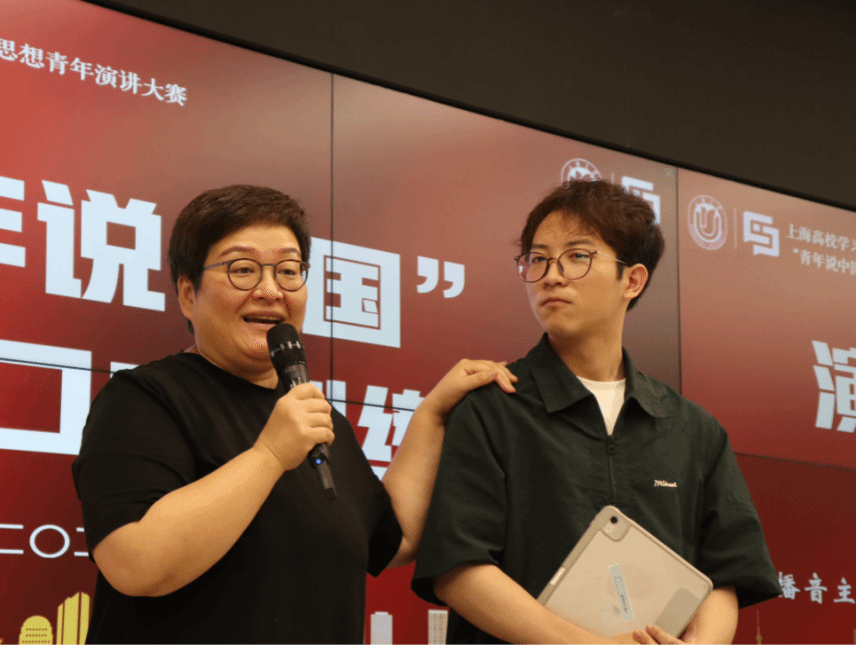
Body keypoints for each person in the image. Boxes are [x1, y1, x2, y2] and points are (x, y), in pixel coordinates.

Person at [71, 184, 516, 644]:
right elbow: (135, 562)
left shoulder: (316, 417)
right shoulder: (144, 398)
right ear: (188, 293)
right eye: (243, 270)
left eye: (288, 271)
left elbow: (392, 539)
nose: (270, 291)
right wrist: (269, 455)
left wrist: (432, 413)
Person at [411, 179, 781, 645]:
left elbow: (724, 575)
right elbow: (458, 569)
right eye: (538, 259)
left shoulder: (692, 429)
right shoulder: (493, 406)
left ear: (633, 280)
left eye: (577, 256)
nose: (552, 275)